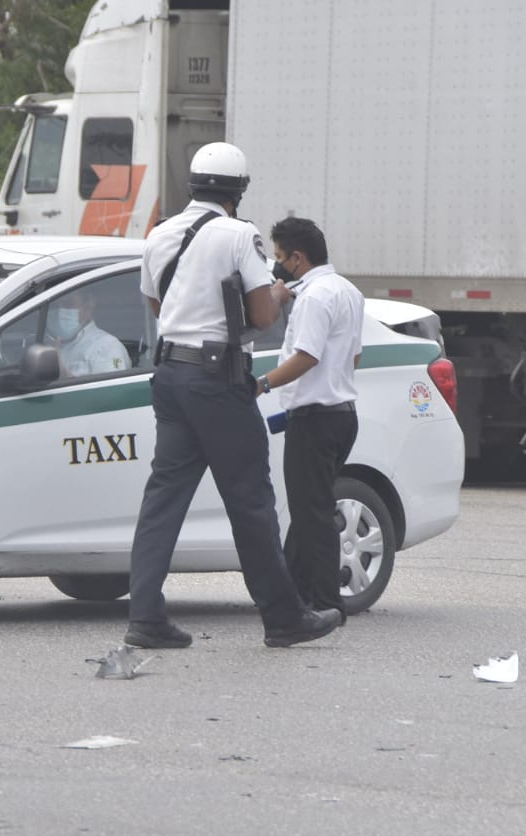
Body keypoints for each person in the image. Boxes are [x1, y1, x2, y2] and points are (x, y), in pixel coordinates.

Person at [124, 142, 343, 649]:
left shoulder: (160, 233)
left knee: (162, 500)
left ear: (193, 184)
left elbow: (158, 306)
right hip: (217, 379)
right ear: (238, 192)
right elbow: (262, 317)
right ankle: (284, 618)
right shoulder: (240, 234)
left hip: (170, 375)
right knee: (251, 502)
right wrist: (278, 294)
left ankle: (145, 617)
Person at [258, 217, 364, 620]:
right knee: (308, 508)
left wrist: (262, 384)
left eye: (280, 257)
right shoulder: (348, 291)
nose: (277, 264)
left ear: (298, 258)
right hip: (342, 416)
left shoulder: (315, 297)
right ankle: (292, 595)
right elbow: (354, 356)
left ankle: (325, 602)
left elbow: (306, 357)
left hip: (315, 419)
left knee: (313, 513)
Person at [47, 289, 131, 376]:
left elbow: (111, 384)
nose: (60, 310)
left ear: (88, 308)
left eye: (68, 304)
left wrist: (63, 373)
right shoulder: (47, 344)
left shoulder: (107, 346)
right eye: (55, 306)